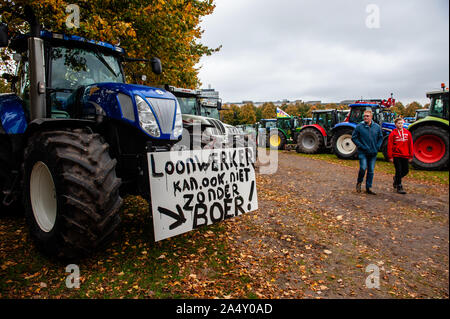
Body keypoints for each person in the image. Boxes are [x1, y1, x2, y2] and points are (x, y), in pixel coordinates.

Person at [351, 110, 384, 195]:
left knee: (371, 170)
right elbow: (354, 138)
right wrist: (361, 146)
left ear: (371, 117)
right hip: (363, 152)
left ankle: (368, 187)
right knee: (363, 168)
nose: (365, 117)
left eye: (367, 116)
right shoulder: (359, 126)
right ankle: (359, 182)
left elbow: (381, 137)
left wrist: (377, 146)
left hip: (373, 152)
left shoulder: (377, 127)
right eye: (364, 116)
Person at [387, 117, 414, 194]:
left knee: (405, 170)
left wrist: (411, 155)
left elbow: (410, 144)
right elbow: (390, 145)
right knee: (398, 170)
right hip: (396, 155)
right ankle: (399, 186)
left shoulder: (407, 133)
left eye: (401, 123)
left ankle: (396, 179)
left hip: (405, 155)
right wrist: (390, 156)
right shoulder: (393, 134)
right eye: (399, 123)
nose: (400, 125)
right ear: (395, 124)